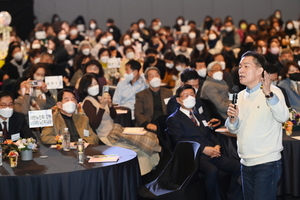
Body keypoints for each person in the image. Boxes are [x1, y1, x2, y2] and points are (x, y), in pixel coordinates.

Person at [226, 51, 289, 200]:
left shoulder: (274, 92)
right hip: (245, 162)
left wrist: (268, 95)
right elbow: (232, 128)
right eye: (240, 66)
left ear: (260, 70)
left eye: (246, 66)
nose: (241, 70)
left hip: (266, 163)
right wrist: (233, 121)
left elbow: (284, 117)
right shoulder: (240, 96)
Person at [167, 84, 242, 200]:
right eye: (185, 96)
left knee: (238, 166)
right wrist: (203, 149)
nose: (189, 98)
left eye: (192, 95)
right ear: (178, 100)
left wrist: (217, 145)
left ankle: (232, 196)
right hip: (194, 156)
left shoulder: (199, 115)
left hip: (213, 152)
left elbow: (208, 134)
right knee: (212, 171)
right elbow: (181, 141)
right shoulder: (174, 118)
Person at [78, 73, 160, 175]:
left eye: (95, 83)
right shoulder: (87, 102)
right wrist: (102, 107)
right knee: (137, 150)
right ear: (85, 88)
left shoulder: (100, 98)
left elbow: (113, 116)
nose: (94, 87)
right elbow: (95, 124)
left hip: (115, 131)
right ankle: (141, 176)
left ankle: (153, 169)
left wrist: (110, 105)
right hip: (105, 136)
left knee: (146, 140)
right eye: (90, 85)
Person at [134, 67, 173, 132]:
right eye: (151, 76)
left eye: (157, 75)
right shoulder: (141, 95)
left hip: (164, 124)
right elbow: (138, 113)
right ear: (147, 81)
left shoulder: (168, 92)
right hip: (148, 123)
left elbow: (172, 110)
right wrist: (147, 124)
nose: (155, 78)